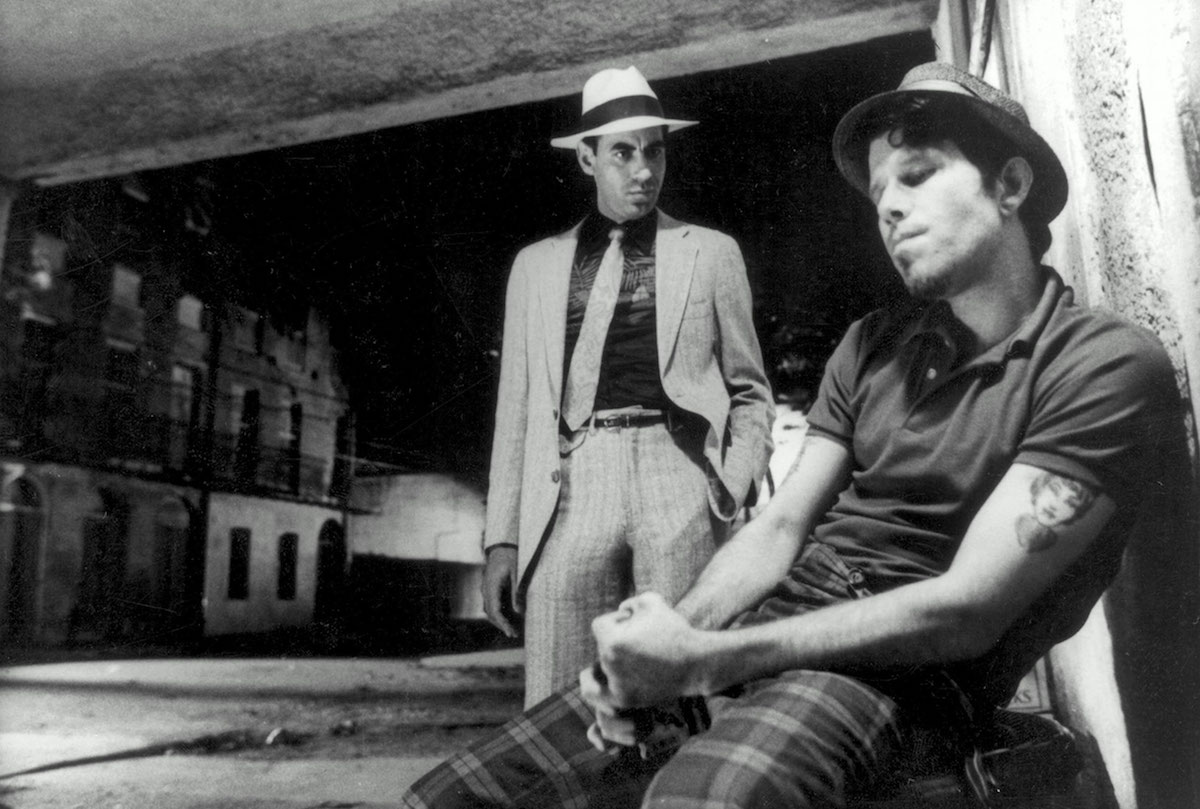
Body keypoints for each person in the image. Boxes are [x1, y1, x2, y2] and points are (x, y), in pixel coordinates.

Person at [405, 61, 1181, 808]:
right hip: (766, 629)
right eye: (878, 190)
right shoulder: (873, 344)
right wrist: (675, 641)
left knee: (697, 798)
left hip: (896, 675)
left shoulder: (1103, 363)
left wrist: (706, 660)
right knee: (451, 794)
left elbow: (967, 610)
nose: (888, 208)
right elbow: (780, 526)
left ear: (1009, 185)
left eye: (916, 176)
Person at [482, 65, 774, 705]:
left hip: (680, 479)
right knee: (557, 699)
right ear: (587, 159)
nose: (643, 170)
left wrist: (732, 482)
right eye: (623, 153)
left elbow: (751, 390)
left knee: (682, 697)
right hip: (569, 485)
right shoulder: (534, 267)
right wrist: (502, 538)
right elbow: (516, 410)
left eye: (654, 150)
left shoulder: (711, 252)